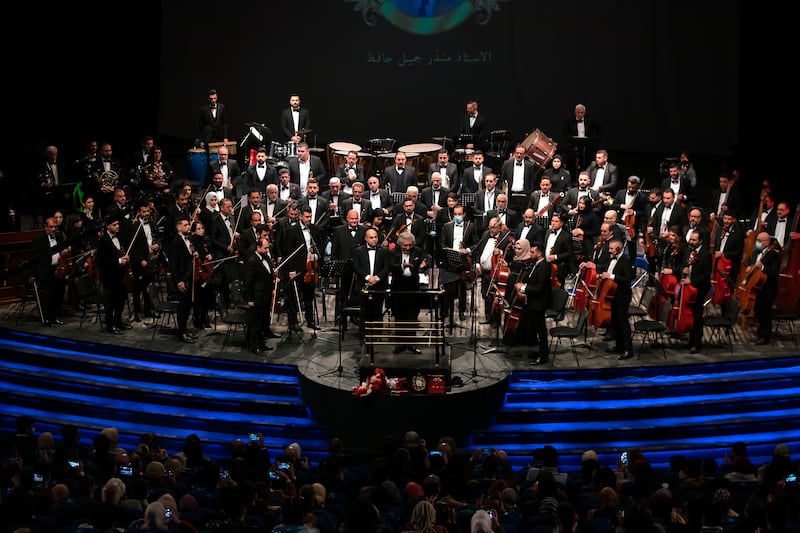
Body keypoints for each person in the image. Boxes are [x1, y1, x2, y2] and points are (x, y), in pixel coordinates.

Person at [279, 205, 325, 332]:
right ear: (300, 216)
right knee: (293, 297)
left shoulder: (315, 230)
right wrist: (291, 270)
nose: (309, 219)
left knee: (309, 296)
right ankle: (293, 323)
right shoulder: (291, 231)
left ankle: (310, 321)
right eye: (306, 217)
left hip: (311, 268)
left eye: (310, 217)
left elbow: (320, 247)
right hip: (297, 268)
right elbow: (288, 251)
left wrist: (315, 256)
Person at [512, 242, 552, 364]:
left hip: (539, 303)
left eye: (532, 252)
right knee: (534, 327)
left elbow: (539, 289)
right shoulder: (535, 264)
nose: (530, 253)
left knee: (541, 330)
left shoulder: (544, 267)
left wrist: (523, 288)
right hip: (532, 301)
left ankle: (543, 356)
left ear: (539, 254)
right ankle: (537, 350)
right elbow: (532, 282)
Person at [390, 232, 429, 354]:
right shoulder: (393, 252)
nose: (407, 248)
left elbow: (423, 263)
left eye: (410, 245)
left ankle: (411, 344)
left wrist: (422, 266)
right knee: (399, 316)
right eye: (405, 245)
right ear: (400, 244)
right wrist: (402, 266)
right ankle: (400, 344)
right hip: (398, 288)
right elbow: (391, 266)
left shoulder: (417, 251)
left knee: (412, 316)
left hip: (413, 288)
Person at [439, 203, 478, 324]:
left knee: (462, 288)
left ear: (464, 214)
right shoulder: (447, 226)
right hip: (450, 261)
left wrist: (467, 250)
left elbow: (476, 243)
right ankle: (445, 311)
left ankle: (461, 312)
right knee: (447, 288)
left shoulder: (470, 226)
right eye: (455, 214)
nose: (457, 216)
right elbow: (442, 243)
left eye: (459, 214)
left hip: (464, 261)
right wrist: (449, 250)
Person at [598, 239, 634, 360]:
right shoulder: (611, 258)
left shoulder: (625, 261)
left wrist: (611, 276)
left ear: (618, 249)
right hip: (611, 295)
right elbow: (609, 271)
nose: (609, 251)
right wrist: (603, 275)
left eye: (611, 249)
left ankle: (628, 350)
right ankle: (619, 347)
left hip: (622, 297)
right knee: (616, 323)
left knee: (623, 324)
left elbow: (628, 278)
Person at [30, 216, 70, 327]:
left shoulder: (58, 236)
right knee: (47, 296)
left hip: (57, 270)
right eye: (51, 227)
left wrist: (64, 251)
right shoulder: (38, 239)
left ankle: (55, 317)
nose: (54, 229)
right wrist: (32, 274)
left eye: (55, 227)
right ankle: (47, 318)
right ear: (45, 227)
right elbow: (32, 258)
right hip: (45, 271)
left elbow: (61, 249)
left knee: (58, 295)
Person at [243, 236, 278, 355]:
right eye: (265, 248)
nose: (267, 250)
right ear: (258, 247)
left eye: (268, 248)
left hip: (266, 296)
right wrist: (250, 299)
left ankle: (261, 344)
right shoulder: (252, 261)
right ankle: (254, 346)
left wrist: (274, 275)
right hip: (257, 297)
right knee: (255, 324)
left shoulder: (266, 258)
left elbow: (268, 273)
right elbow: (248, 282)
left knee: (263, 322)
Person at [473, 215, 511, 326]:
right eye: (490, 227)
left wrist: (501, 252)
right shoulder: (485, 235)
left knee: (495, 297)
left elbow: (509, 255)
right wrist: (477, 264)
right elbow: (478, 251)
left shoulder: (505, 238)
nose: (491, 230)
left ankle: (496, 321)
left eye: (493, 228)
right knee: (485, 295)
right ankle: (488, 317)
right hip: (483, 272)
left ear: (500, 228)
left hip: (495, 272)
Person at [352, 227, 391, 336]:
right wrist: (368, 277)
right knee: (364, 311)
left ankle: (378, 333)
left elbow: (386, 267)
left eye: (375, 237)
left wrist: (376, 278)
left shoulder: (384, 250)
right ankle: (363, 334)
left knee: (378, 310)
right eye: (371, 237)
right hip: (364, 285)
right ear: (366, 238)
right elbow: (356, 267)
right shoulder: (358, 251)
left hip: (379, 286)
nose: (374, 239)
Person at [128, 202, 163, 323]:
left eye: (148, 211)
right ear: (139, 212)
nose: (147, 214)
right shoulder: (134, 226)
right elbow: (131, 247)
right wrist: (140, 260)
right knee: (137, 288)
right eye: (144, 211)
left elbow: (158, 238)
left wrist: (157, 245)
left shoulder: (152, 223)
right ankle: (137, 311)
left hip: (151, 259)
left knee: (149, 286)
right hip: (139, 262)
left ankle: (149, 310)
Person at [96, 219, 131, 335]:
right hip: (109, 277)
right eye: (114, 225)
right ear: (108, 227)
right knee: (110, 302)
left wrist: (126, 257)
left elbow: (120, 252)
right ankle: (110, 325)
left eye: (118, 224)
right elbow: (102, 262)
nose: (117, 226)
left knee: (121, 300)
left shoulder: (119, 237)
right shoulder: (103, 241)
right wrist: (119, 261)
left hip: (120, 275)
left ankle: (118, 321)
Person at [746, 232, 781, 345]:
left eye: (760, 241)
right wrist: (750, 267)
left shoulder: (774, 255)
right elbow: (752, 263)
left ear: (767, 242)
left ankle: (765, 337)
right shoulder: (756, 252)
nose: (758, 243)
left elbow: (774, 272)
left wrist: (763, 267)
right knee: (757, 310)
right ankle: (760, 334)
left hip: (768, 289)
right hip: (757, 287)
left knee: (765, 312)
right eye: (757, 240)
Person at [168, 217, 198, 344]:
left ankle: (184, 330)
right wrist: (179, 281)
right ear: (178, 227)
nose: (188, 227)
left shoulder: (188, 239)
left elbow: (188, 256)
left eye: (188, 224)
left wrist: (194, 253)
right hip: (182, 279)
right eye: (185, 225)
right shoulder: (175, 242)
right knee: (183, 307)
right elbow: (173, 264)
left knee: (187, 307)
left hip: (189, 277)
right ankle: (181, 333)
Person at [684, 229, 712, 353]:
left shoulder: (706, 254)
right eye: (690, 239)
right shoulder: (689, 250)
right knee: (689, 315)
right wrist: (683, 270)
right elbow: (683, 265)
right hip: (688, 288)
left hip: (699, 289)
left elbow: (706, 275)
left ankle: (697, 343)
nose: (691, 241)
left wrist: (692, 281)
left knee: (696, 317)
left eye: (694, 240)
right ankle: (690, 341)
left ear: (700, 241)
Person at [613, 175, 648, 260]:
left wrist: (634, 212)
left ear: (638, 186)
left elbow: (644, 212)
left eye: (633, 187)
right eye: (629, 187)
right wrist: (622, 206)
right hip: (620, 222)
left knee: (632, 247)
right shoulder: (620, 193)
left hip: (632, 226)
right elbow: (613, 205)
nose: (631, 189)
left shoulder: (642, 197)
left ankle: (632, 266)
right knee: (616, 245)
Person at [561, 103, 601, 177]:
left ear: (584, 113)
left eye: (582, 113)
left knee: (586, 163)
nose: (580, 114)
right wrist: (572, 138)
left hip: (586, 147)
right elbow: (564, 134)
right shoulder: (570, 121)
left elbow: (598, 129)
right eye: (578, 112)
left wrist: (593, 139)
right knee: (572, 164)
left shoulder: (589, 121)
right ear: (575, 112)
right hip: (573, 147)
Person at [190, 220, 215, 330]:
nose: (201, 230)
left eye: (202, 228)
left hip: (206, 271)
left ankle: (205, 319)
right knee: (198, 299)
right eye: (199, 229)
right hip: (198, 273)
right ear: (194, 231)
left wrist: (210, 256)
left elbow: (210, 251)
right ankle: (197, 320)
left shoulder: (205, 240)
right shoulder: (192, 241)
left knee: (206, 298)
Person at [86, 142, 125, 213]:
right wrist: (102, 188)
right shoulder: (94, 164)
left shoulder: (116, 163)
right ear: (101, 151)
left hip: (113, 195)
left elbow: (121, 178)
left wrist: (115, 188)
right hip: (100, 196)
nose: (108, 153)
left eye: (110, 151)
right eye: (106, 151)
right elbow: (91, 180)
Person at [37, 145, 72, 223]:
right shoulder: (42, 165)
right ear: (47, 155)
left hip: (61, 194)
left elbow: (67, 178)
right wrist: (43, 185)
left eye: (55, 154)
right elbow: (37, 179)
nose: (53, 157)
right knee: (50, 215)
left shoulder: (63, 163)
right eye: (51, 155)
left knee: (62, 215)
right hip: (49, 195)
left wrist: (67, 192)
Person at [500, 144, 537, 213]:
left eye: (521, 153)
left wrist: (529, 194)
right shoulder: (507, 164)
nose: (519, 155)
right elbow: (502, 180)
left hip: (524, 196)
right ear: (514, 153)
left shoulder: (530, 166)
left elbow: (532, 182)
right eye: (517, 153)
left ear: (525, 154)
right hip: (510, 196)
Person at [542, 212, 574, 287]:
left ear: (561, 223)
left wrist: (555, 256)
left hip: (558, 268)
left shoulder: (566, 236)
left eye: (556, 221)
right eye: (552, 221)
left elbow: (569, 253)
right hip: (546, 265)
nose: (553, 223)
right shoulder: (547, 232)